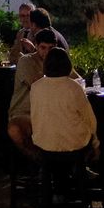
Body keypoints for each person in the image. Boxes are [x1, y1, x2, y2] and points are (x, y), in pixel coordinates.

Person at [8, 27, 67, 156]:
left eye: (50, 48)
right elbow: (38, 86)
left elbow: (77, 79)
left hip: (50, 111)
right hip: (25, 111)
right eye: (43, 48)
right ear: (36, 46)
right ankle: (42, 161)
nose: (47, 52)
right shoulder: (27, 61)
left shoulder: (57, 62)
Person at [30, 47, 98, 157]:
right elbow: (89, 118)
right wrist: (95, 143)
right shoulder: (73, 87)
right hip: (74, 144)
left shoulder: (35, 87)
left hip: (44, 143)